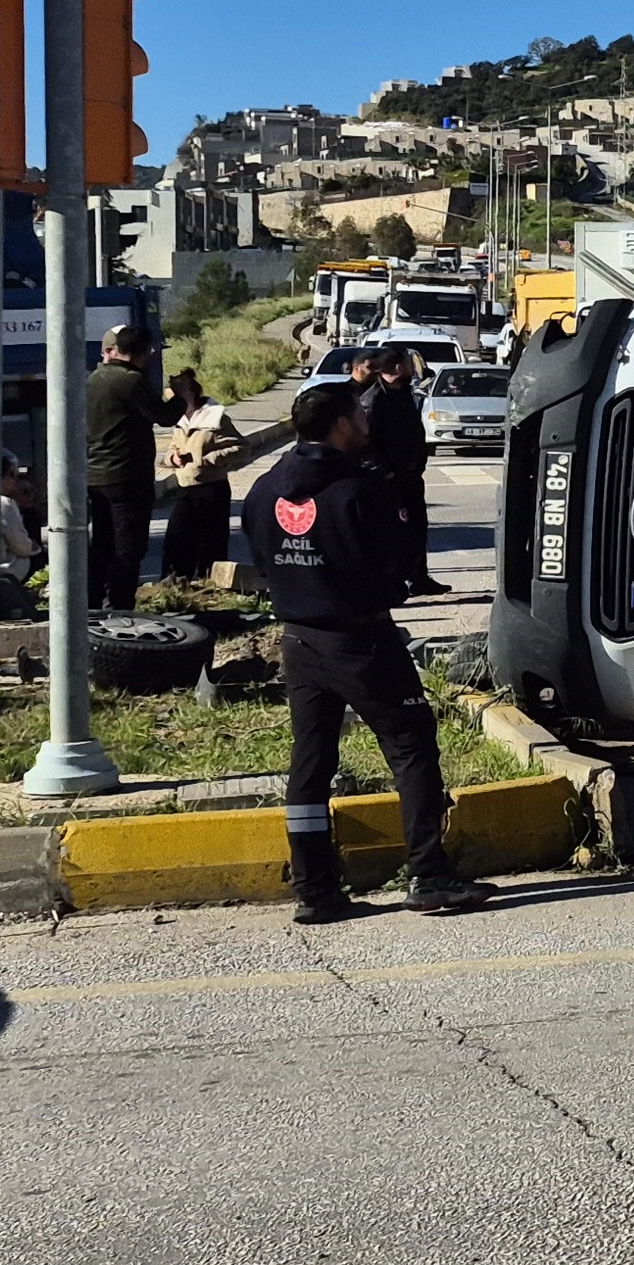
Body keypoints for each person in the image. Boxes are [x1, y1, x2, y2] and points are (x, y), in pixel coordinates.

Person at [240, 381, 487, 923]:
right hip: (362, 639)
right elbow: (395, 565)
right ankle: (429, 874)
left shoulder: (263, 489)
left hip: (299, 641)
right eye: (359, 414)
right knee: (411, 747)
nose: (367, 422)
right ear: (340, 425)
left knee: (310, 764)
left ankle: (314, 889)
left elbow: (260, 558)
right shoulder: (361, 489)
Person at [83, 323, 177, 612]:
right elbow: (163, 416)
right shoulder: (131, 381)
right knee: (128, 548)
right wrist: (178, 394)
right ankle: (120, 609)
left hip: (96, 475)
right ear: (142, 352)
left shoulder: (95, 378)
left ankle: (92, 605)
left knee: (101, 546)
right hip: (127, 476)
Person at [354, 346, 443, 595]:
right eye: (408, 362)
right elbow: (366, 444)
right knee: (390, 533)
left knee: (417, 529)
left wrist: (419, 462)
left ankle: (419, 578)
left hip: (411, 476)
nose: (412, 367)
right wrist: (386, 473)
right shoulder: (373, 400)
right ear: (396, 367)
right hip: (386, 481)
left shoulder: (404, 393)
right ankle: (390, 583)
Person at [154, 371, 250, 584]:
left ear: (187, 392)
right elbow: (172, 446)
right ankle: (175, 581)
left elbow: (241, 447)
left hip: (212, 488)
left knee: (211, 541)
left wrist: (208, 459)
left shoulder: (215, 418)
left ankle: (209, 584)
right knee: (177, 537)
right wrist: (172, 457)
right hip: (185, 487)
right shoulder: (179, 420)